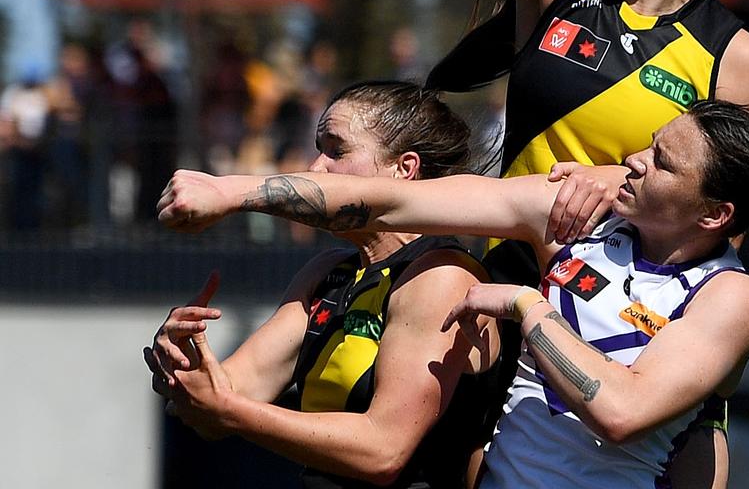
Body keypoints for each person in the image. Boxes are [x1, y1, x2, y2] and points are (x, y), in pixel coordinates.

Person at [266, 0, 749, 485]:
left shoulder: (735, 56)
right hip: (513, 287)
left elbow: (728, 219)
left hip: (641, 328)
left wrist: (612, 179)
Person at [156, 99, 749, 489]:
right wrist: (235, 191)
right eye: (649, 145)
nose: (631, 160)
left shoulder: (731, 297)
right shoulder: (576, 219)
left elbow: (622, 411)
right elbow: (397, 199)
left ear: (715, 213)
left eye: (663, 162)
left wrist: (526, 305)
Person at [145, 81, 502, 489]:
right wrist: (184, 365)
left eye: (336, 150)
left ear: (404, 169)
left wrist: (229, 409)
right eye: (317, 149)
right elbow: (225, 398)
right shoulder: (326, 272)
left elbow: (383, 451)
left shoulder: (441, 276)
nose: (315, 169)